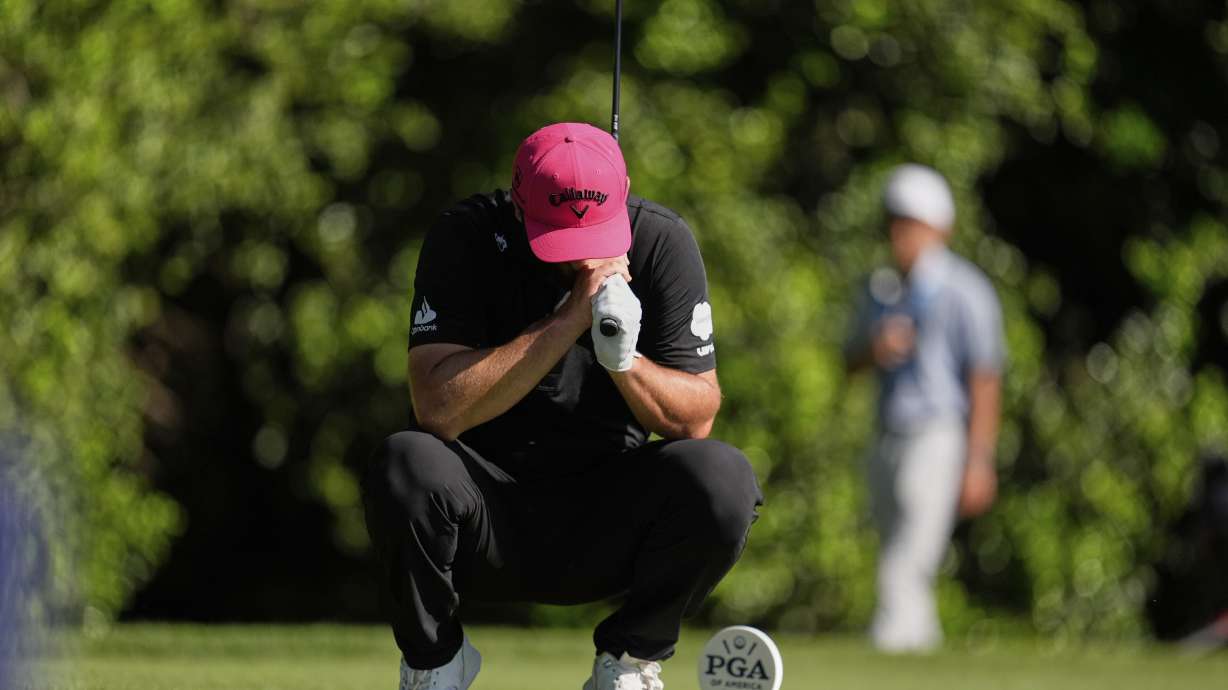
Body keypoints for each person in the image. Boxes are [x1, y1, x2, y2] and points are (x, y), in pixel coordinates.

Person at [362, 122, 763, 690]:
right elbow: (437, 410)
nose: (578, 257)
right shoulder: (467, 236)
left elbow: (695, 417)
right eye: (557, 237)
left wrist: (625, 362)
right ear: (519, 201)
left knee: (722, 475)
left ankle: (627, 663)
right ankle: (435, 664)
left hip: (604, 512)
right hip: (487, 512)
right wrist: (568, 318)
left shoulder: (658, 241)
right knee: (405, 461)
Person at [844, 164, 1005, 652]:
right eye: (893, 222)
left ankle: (890, 640)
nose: (899, 234)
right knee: (897, 541)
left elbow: (985, 378)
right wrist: (876, 348)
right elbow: (849, 362)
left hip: (938, 433)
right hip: (887, 430)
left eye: (910, 223)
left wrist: (979, 459)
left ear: (938, 227)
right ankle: (920, 651)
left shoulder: (966, 290)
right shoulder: (879, 288)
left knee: (911, 546)